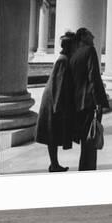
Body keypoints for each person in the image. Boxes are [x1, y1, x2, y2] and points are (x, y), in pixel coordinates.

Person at [35, 31, 76, 172]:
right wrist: (58, 106)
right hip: (53, 100)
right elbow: (58, 84)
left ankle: (54, 164)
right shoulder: (63, 60)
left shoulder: (64, 58)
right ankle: (54, 164)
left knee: (53, 134)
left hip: (54, 99)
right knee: (52, 133)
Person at [69, 27, 109, 171]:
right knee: (91, 139)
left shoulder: (74, 55)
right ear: (84, 37)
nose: (94, 37)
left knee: (86, 140)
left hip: (78, 103)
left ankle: (84, 168)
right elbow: (94, 78)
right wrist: (99, 102)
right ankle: (88, 170)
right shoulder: (89, 51)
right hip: (89, 102)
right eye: (91, 35)